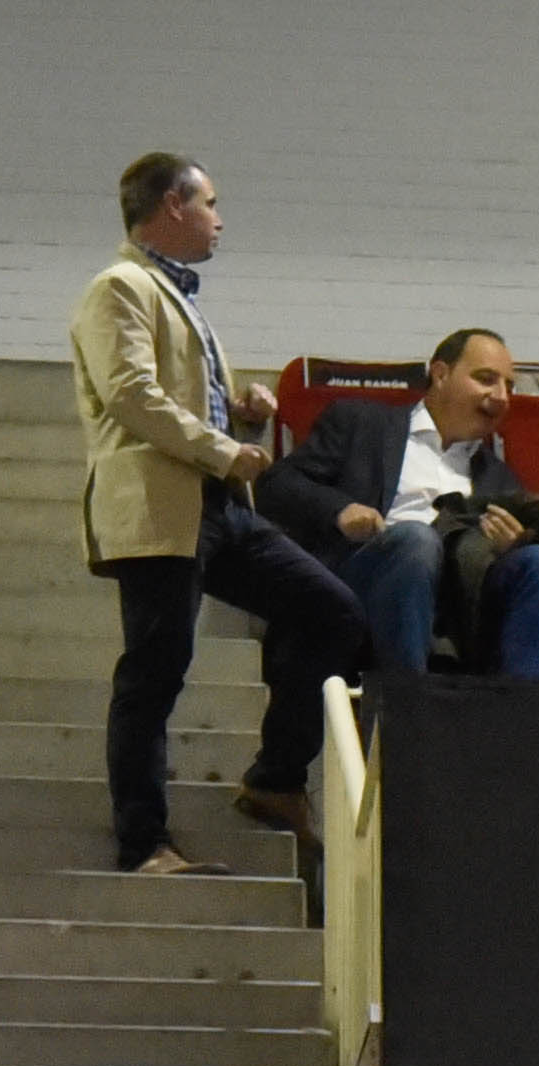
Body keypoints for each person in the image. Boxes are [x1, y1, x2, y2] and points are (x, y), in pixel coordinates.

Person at [68, 153, 352, 875]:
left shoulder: (174, 294)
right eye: (211, 203)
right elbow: (131, 394)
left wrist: (243, 412)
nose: (220, 218)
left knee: (331, 610)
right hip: (162, 507)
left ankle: (275, 778)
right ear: (172, 204)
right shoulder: (120, 287)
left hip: (214, 504)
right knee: (154, 673)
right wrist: (226, 449)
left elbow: (177, 400)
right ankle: (143, 844)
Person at [264, 325, 539, 682]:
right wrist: (340, 510)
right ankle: (409, 704)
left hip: (457, 605)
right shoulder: (361, 423)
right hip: (363, 582)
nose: (501, 397)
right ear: (440, 374)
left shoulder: (498, 478)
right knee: (416, 539)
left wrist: (513, 547)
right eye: (486, 379)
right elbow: (277, 485)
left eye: (508, 387)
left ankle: (526, 715)